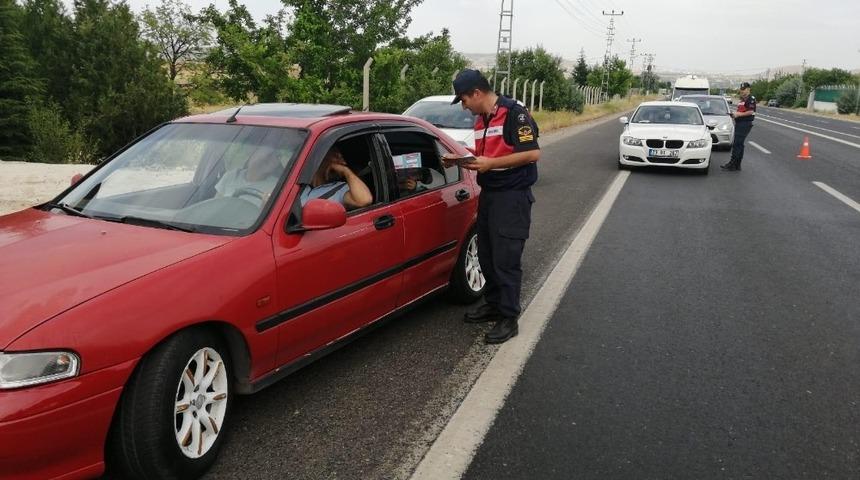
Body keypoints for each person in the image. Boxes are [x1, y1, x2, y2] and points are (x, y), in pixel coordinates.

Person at [444, 69, 541, 344]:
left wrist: (490, 164)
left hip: (512, 197)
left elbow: (532, 153)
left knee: (505, 259)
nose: (464, 106)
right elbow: (489, 154)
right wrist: (462, 157)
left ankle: (508, 317)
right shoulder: (481, 119)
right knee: (486, 254)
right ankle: (494, 304)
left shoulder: (514, 113)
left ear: (477, 93)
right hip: (491, 194)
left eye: (464, 99)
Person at [300, 146, 372, 209]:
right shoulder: (296, 182)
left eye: (341, 156)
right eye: (335, 153)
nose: (340, 158)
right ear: (319, 156)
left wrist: (346, 171)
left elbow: (365, 200)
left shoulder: (340, 189)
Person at [215, 149, 282, 207]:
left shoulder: (277, 186)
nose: (273, 159)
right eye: (269, 155)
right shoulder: (231, 176)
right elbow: (214, 205)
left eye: (277, 156)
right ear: (253, 153)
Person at [722, 81, 756, 171]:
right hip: (740, 123)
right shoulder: (742, 100)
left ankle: (733, 163)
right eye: (741, 90)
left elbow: (750, 111)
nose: (742, 91)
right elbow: (742, 110)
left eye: (744, 90)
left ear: (748, 89)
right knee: (739, 144)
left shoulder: (750, 99)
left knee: (737, 143)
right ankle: (737, 164)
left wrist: (738, 115)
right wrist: (734, 115)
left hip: (745, 123)